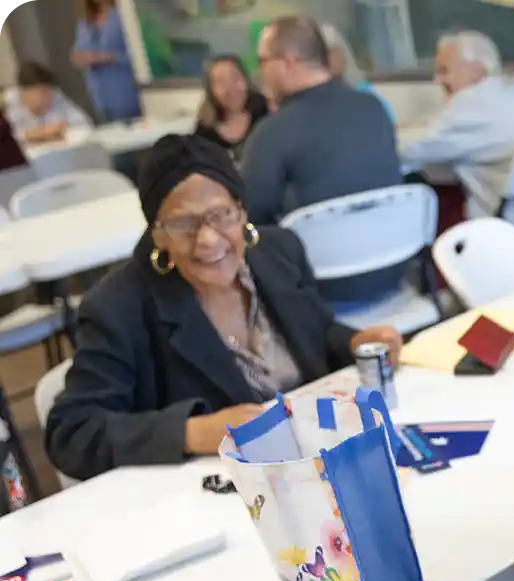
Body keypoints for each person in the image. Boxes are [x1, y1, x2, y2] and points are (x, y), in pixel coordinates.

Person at [45, 135, 403, 481]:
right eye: (183, 224)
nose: (208, 240)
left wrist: (356, 343)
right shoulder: (120, 307)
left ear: (241, 210)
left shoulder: (279, 252)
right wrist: (194, 432)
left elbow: (316, 332)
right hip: (212, 497)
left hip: (317, 467)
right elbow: (72, 432)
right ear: (158, 234)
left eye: (220, 215)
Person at [242, 15, 400, 229]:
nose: (259, 73)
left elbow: (254, 216)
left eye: (262, 61)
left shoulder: (272, 133)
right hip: (390, 252)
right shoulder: (373, 107)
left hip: (317, 260)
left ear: (287, 62)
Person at [400, 31, 514, 222]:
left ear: (476, 70)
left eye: (444, 71)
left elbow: (407, 149)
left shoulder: (471, 104)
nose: (437, 81)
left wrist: (383, 133)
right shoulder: (512, 91)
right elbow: (441, 123)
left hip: (502, 225)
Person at [71, 0, 142, 123]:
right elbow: (77, 53)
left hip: (126, 89)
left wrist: (107, 57)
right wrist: (80, 58)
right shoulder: (85, 21)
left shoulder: (124, 14)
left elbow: (140, 55)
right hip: (100, 95)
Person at [194, 55, 269, 163]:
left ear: (246, 80)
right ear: (210, 91)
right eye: (220, 82)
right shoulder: (204, 132)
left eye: (236, 79)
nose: (230, 88)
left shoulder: (265, 113)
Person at [318, 23, 394, 124]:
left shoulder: (365, 93)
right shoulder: (308, 103)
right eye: (325, 54)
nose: (332, 59)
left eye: (335, 52)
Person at [4, 62, 92, 144]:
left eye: (49, 90)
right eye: (42, 92)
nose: (48, 96)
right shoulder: (11, 106)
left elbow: (85, 125)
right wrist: (29, 135)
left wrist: (63, 129)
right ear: (24, 94)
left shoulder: (56, 97)